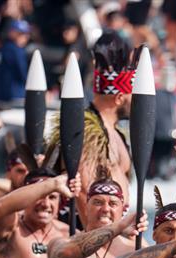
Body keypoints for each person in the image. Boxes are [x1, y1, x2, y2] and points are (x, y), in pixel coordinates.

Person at [50, 31, 133, 226]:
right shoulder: (87, 132)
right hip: (90, 236)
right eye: (132, 95)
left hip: (112, 232)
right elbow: (83, 192)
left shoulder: (117, 133)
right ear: (119, 98)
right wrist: (99, 242)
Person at [0, 19, 31, 103]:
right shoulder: (15, 50)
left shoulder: (2, 48)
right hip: (15, 94)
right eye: (21, 34)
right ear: (12, 33)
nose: (25, 38)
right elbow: (22, 72)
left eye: (26, 34)